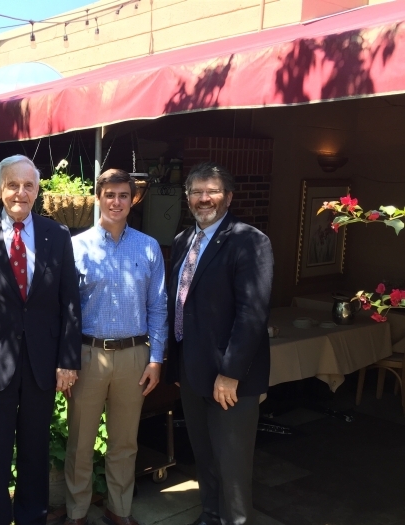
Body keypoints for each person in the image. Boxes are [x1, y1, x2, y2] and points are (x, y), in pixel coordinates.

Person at [0, 154, 82, 525]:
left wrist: (68, 359)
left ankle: (31, 518)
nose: (21, 193)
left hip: (43, 363)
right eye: (13, 185)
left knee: (34, 451)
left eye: (29, 185)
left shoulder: (57, 236)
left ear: (38, 189)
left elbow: (70, 302)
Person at [165, 162, 273, 525]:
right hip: (192, 375)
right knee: (205, 457)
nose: (203, 198)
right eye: (196, 192)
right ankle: (210, 515)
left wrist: (230, 373)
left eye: (211, 191)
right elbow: (179, 305)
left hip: (230, 381)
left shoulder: (249, 241)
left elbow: (252, 314)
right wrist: (177, 365)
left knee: (233, 464)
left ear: (228, 197)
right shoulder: (183, 241)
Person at [66, 169, 168, 525]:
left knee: (125, 443)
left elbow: (158, 306)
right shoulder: (77, 247)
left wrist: (156, 359)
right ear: (98, 198)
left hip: (134, 356)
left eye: (123, 195)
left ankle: (118, 509)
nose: (116, 202)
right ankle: (76, 512)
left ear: (133, 199)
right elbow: (66, 310)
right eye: (109, 194)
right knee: (80, 441)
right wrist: (66, 361)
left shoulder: (148, 246)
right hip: (88, 354)